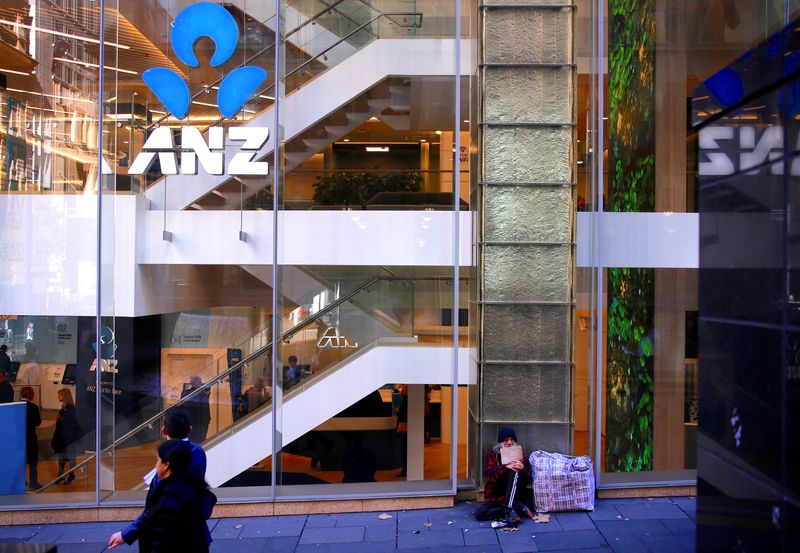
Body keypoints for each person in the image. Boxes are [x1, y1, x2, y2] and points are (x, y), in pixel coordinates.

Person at [113, 408, 211, 549]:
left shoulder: (167, 463)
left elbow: (153, 510)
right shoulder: (198, 452)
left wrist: (126, 534)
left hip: (168, 537)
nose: (157, 464)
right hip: (195, 533)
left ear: (164, 431)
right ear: (190, 429)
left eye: (159, 460)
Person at [108, 440, 216, 553]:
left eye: (158, 460)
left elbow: (162, 543)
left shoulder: (169, 502)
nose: (156, 464)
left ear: (166, 465)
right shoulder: (191, 488)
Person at [474, 427, 534, 526]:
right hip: (498, 496)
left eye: (512, 440)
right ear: (501, 443)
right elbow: (489, 476)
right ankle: (514, 507)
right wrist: (504, 467)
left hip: (516, 495)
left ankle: (510, 509)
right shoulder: (493, 455)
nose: (509, 443)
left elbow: (527, 480)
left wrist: (523, 468)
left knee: (513, 471)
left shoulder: (520, 455)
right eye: (506, 440)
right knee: (479, 514)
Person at [51, 388, 80, 485]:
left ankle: (71, 475)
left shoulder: (71, 408)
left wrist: (60, 418)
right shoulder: (64, 407)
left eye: (59, 395)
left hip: (68, 437)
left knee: (70, 456)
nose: (58, 397)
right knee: (62, 456)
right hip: (62, 437)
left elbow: (67, 422)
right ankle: (61, 475)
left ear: (65, 396)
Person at [20, 386, 42, 489]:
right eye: (32, 393)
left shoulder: (16, 406)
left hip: (19, 438)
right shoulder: (33, 407)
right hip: (31, 437)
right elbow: (38, 422)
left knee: (20, 461)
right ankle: (33, 482)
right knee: (33, 461)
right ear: (28, 394)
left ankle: (21, 481)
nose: (34, 395)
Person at [181, 376, 211, 443]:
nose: (201, 383)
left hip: (197, 420)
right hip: (198, 420)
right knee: (199, 440)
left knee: (195, 439)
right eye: (199, 381)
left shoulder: (186, 392)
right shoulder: (188, 393)